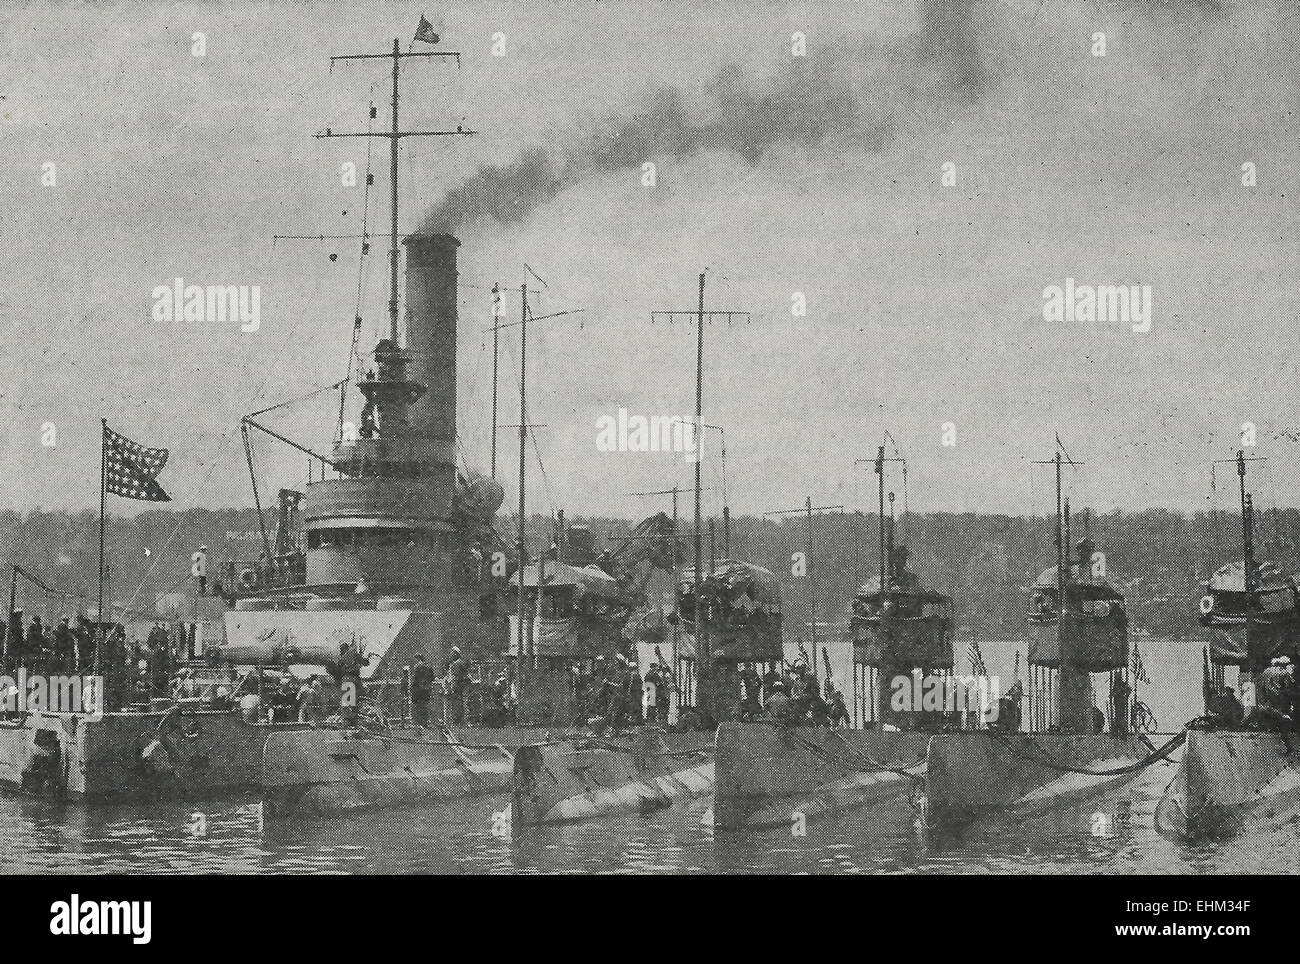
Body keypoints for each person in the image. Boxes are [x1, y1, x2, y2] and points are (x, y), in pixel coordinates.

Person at [443, 645, 469, 726]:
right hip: (459, 686)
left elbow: (455, 677)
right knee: (459, 704)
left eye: (452, 653)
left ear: (456, 654)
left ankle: (457, 721)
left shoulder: (456, 664)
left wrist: (452, 687)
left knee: (457, 704)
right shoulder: (459, 663)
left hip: (456, 686)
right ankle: (459, 720)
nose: (451, 655)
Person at [410, 653, 436, 726]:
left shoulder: (417, 667)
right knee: (425, 705)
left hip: (418, 689)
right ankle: (425, 722)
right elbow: (432, 678)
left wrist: (412, 687)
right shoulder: (429, 667)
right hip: (427, 689)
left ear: (418, 659)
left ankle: (419, 723)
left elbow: (415, 679)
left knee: (418, 706)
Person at [1109, 673, 1132, 738]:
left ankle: (1122, 733)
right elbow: (1112, 693)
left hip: (1122, 703)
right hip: (1117, 703)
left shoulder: (1123, 684)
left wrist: (1125, 695)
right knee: (1118, 716)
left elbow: (1129, 690)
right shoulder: (1116, 685)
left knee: (1121, 716)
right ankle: (1118, 732)